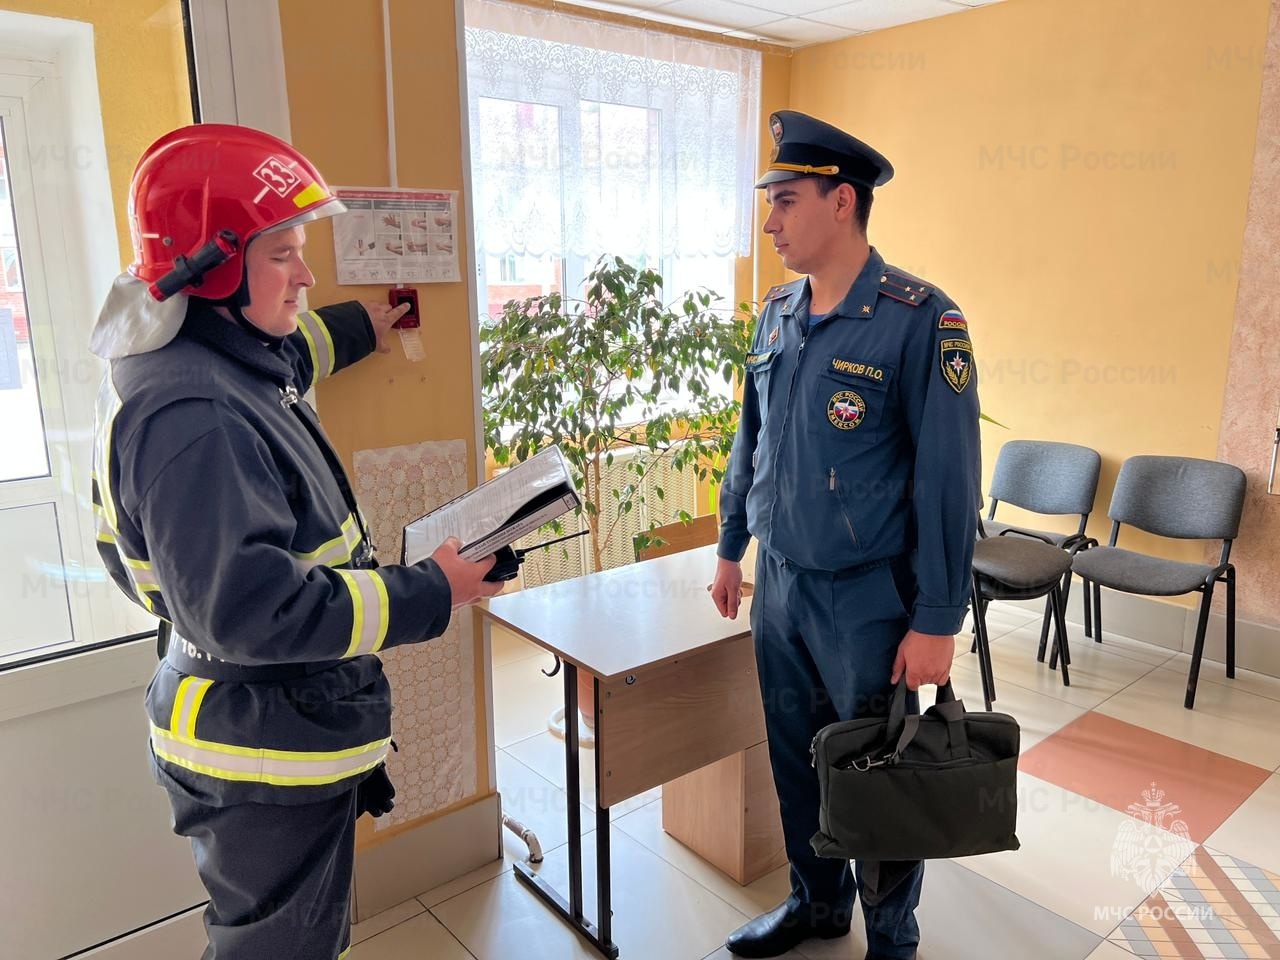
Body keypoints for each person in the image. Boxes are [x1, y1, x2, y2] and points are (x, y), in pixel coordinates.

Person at [89, 124, 504, 960]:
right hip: (257, 748)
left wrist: (370, 324)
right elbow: (252, 609)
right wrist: (433, 588)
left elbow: (292, 355)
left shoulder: (215, 354)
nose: (307, 274)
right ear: (213, 268)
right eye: (284, 253)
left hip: (272, 727)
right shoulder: (193, 417)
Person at [709, 110, 981, 960]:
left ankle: (892, 937)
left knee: (879, 770)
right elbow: (750, 438)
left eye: (785, 201)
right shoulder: (779, 312)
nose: (770, 222)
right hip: (782, 589)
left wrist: (937, 617)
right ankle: (816, 904)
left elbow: (948, 479)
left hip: (868, 598)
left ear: (841, 201)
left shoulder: (920, 321)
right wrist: (730, 542)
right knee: (797, 759)